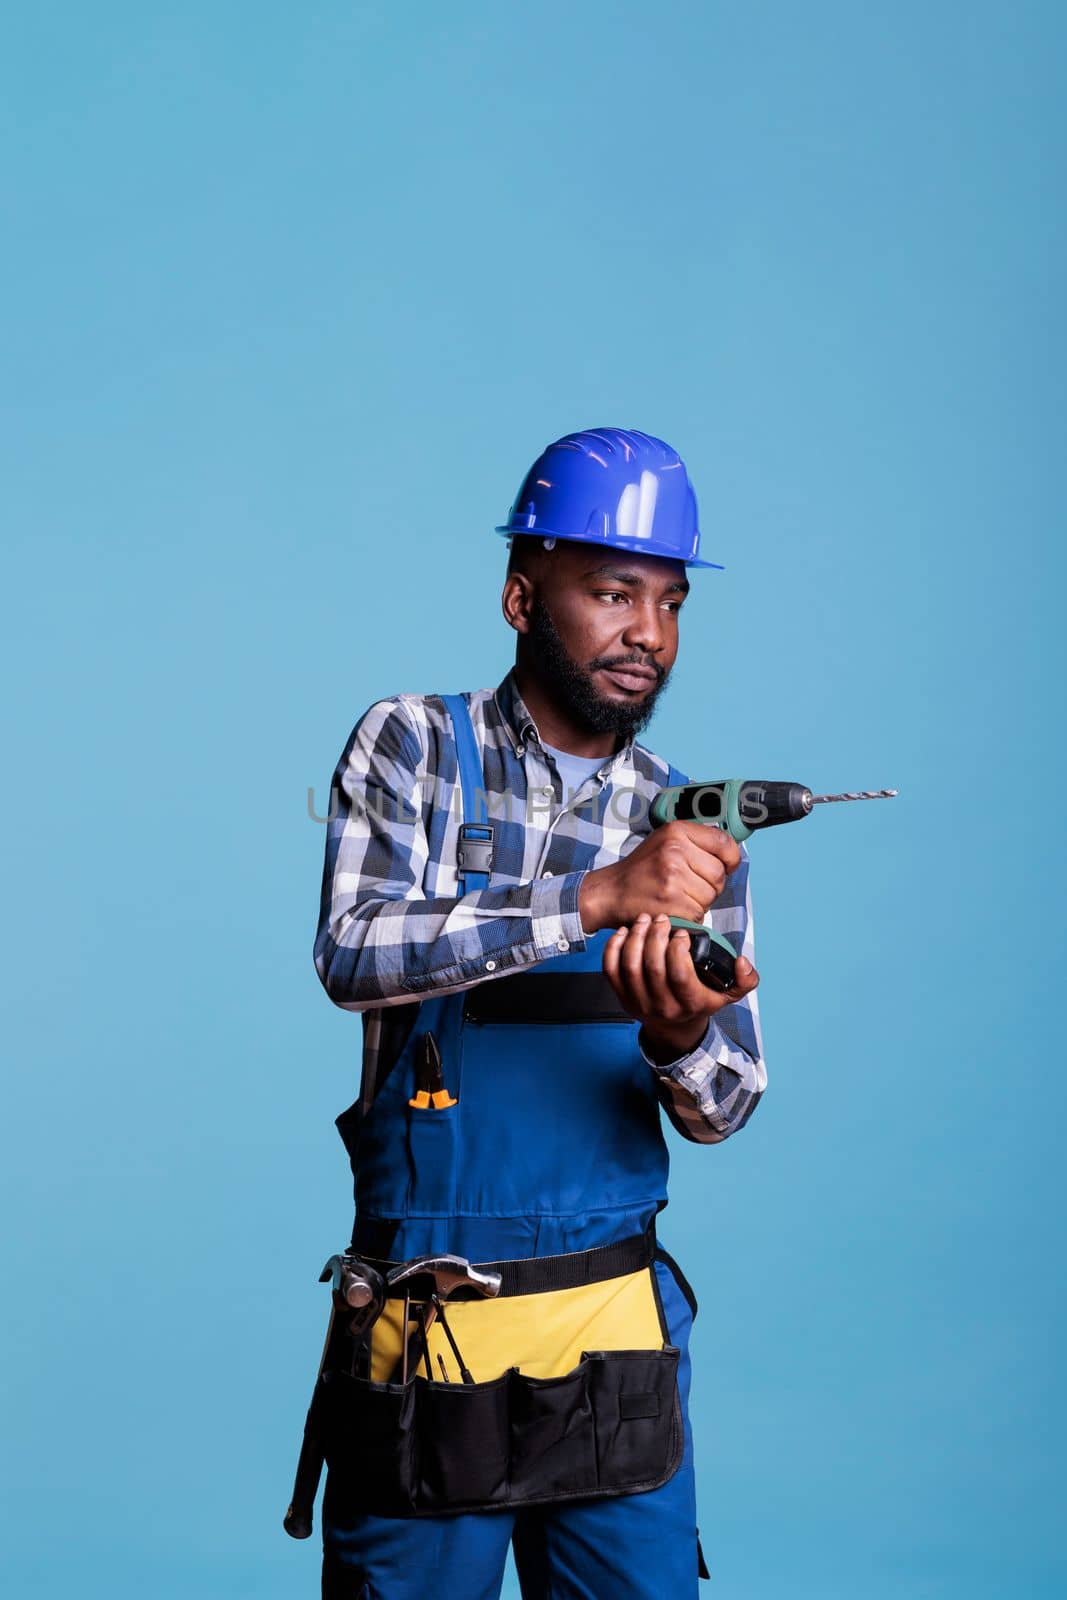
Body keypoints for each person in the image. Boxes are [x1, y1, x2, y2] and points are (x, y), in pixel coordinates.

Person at [312, 427, 767, 1598]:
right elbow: (353, 951)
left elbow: (726, 1105)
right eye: (612, 592)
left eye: (668, 602)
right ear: (523, 595)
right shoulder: (412, 745)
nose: (646, 634)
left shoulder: (692, 823)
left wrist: (677, 1040)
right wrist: (594, 896)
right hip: (432, 1325)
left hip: (613, 1331)